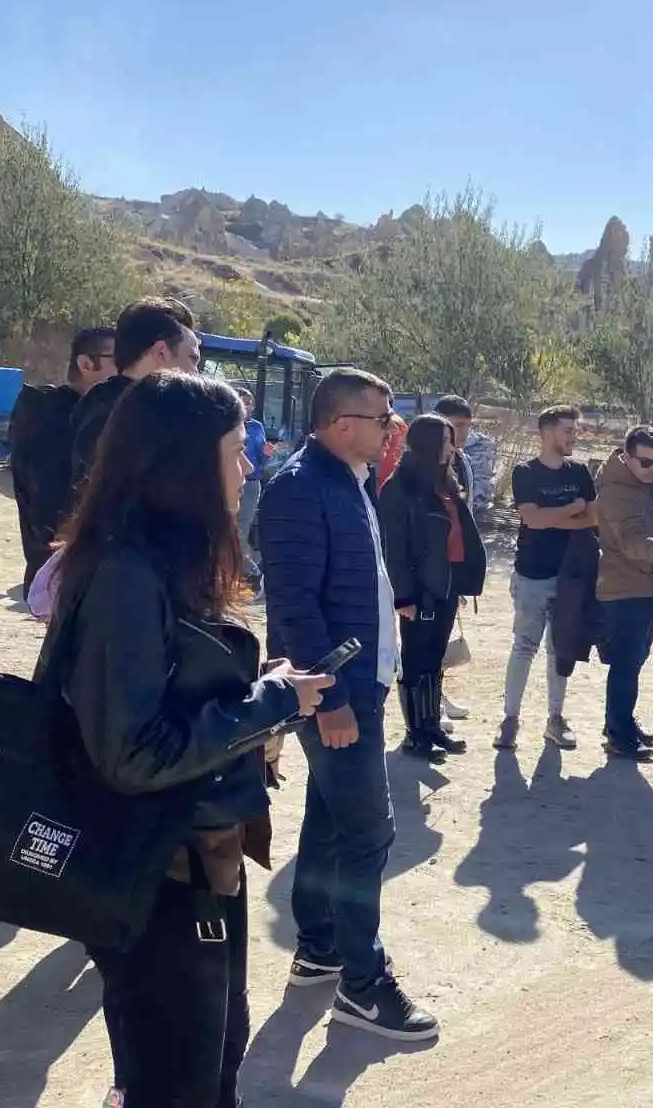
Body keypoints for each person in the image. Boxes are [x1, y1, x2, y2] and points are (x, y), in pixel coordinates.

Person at [50, 371, 330, 1106]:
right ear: (183, 462)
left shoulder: (168, 566)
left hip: (200, 857)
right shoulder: (123, 574)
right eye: (238, 449)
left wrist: (252, 693)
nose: (250, 466)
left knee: (213, 1063)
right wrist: (269, 703)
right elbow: (133, 750)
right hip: (156, 877)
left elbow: (171, 696)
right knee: (177, 1080)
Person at [259, 367, 436, 1041]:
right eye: (382, 418)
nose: (393, 429)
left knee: (330, 817)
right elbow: (296, 606)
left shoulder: (349, 481)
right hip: (339, 691)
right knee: (368, 833)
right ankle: (363, 986)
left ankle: (320, 946)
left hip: (360, 685)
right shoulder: (301, 489)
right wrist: (331, 699)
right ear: (341, 425)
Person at [379, 415, 485, 762]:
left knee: (435, 659)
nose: (452, 448)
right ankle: (416, 734)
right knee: (415, 659)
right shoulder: (400, 486)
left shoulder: (445, 482)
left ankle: (432, 725)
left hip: (446, 584)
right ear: (427, 443)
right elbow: (394, 547)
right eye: (445, 440)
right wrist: (404, 596)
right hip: (420, 589)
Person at [496, 405, 598, 751]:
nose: (574, 436)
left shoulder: (581, 472)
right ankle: (510, 719)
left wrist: (550, 516)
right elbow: (533, 520)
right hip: (532, 574)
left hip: (570, 577)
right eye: (568, 430)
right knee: (524, 647)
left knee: (560, 650)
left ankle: (555, 719)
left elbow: (592, 519)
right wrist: (571, 509)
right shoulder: (525, 472)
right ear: (547, 432)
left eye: (574, 430)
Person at [8, 325, 116, 592]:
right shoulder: (55, 421)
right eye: (119, 361)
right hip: (66, 575)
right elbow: (55, 508)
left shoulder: (74, 416)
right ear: (86, 363)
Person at [71, 297, 202, 493]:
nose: (196, 373)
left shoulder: (96, 407)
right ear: (161, 353)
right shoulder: (131, 422)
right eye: (192, 359)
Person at [595, 425, 653, 761]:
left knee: (634, 661)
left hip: (642, 585)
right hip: (624, 589)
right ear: (626, 457)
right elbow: (633, 543)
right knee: (626, 663)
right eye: (645, 462)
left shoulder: (639, 484)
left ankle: (620, 722)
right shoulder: (616, 492)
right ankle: (618, 733)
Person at [435, 394, 497, 518]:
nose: (465, 432)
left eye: (468, 426)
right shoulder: (421, 463)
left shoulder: (464, 461)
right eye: (458, 425)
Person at [235, 387, 268, 585]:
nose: (248, 407)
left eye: (250, 403)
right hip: (229, 481)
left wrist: (267, 453)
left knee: (241, 528)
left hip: (251, 484)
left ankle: (249, 571)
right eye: (244, 402)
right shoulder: (227, 424)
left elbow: (260, 461)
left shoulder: (257, 427)